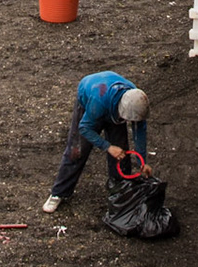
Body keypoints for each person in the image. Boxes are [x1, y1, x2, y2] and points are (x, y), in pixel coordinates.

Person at [43, 72, 149, 213]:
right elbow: (85, 128)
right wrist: (108, 147)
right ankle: (58, 193)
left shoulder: (136, 100)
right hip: (93, 98)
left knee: (121, 152)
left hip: (110, 101)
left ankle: (119, 189)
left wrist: (142, 161)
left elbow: (139, 130)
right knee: (77, 151)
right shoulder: (96, 103)